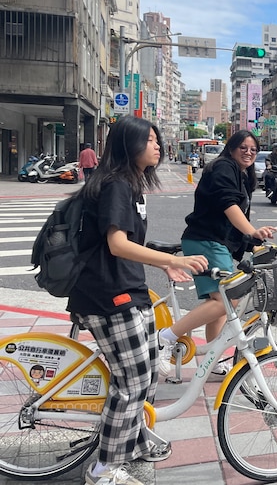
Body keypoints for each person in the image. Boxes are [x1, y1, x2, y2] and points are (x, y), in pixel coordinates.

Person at [69, 116, 208, 485]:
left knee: (145, 375)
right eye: (149, 140)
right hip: (106, 295)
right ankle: (103, 469)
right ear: (128, 145)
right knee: (131, 383)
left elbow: (129, 244)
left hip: (127, 290)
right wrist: (172, 260)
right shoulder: (115, 184)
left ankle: (132, 440)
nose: (157, 145)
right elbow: (116, 244)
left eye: (156, 139)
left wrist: (163, 266)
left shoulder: (131, 185)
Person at [157, 130, 276, 379]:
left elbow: (234, 221)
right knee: (228, 300)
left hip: (212, 241)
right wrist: (253, 232)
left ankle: (213, 359)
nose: (249, 152)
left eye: (253, 149)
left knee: (220, 301)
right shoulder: (224, 167)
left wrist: (252, 243)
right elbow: (229, 207)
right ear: (231, 148)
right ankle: (166, 337)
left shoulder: (242, 176)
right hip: (206, 241)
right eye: (243, 147)